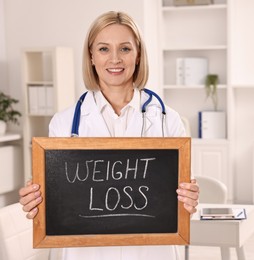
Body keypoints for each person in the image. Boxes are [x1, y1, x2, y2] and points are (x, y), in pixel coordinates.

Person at [18, 11, 199, 260]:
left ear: (138, 56)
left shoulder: (168, 120)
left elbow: (183, 202)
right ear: (91, 56)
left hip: (151, 252)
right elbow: (57, 205)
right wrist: (38, 202)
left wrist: (190, 200)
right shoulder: (64, 124)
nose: (115, 59)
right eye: (104, 49)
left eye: (125, 49)